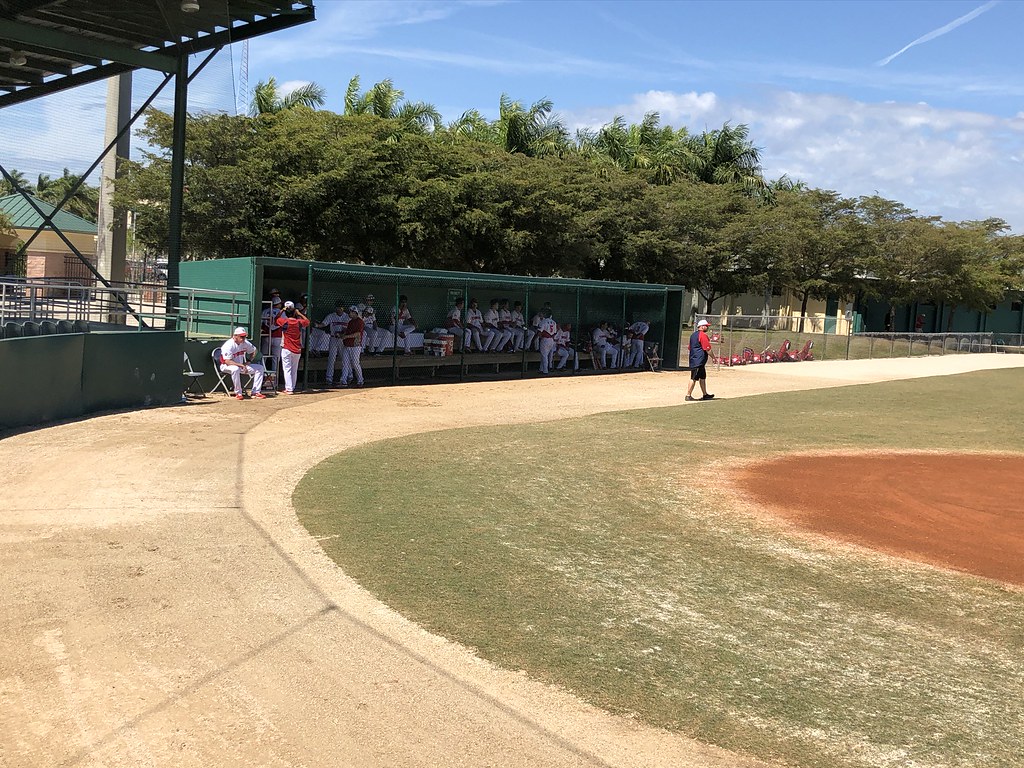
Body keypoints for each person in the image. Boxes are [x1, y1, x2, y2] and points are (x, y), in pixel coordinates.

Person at [219, 327, 266, 400]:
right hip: (226, 366)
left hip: (241, 366)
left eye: (244, 336)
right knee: (235, 369)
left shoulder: (245, 343)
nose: (243, 338)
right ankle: (238, 393)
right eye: (241, 336)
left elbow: (254, 351)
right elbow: (227, 361)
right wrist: (241, 365)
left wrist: (248, 361)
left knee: (260, 368)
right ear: (235, 336)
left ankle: (256, 392)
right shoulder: (228, 345)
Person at [275, 300, 310, 394]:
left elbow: (276, 319)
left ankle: (289, 389)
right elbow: (307, 321)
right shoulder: (299, 322)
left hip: (287, 348)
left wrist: (282, 310)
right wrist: (299, 313)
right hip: (297, 349)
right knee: (294, 369)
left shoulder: (284, 321)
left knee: (287, 369)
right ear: (294, 312)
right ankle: (292, 387)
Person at [318, 301, 349, 387]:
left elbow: (349, 328)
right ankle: (329, 378)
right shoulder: (331, 316)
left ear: (343, 308)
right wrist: (318, 325)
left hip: (343, 339)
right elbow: (323, 324)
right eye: (338, 307)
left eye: (341, 308)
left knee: (345, 359)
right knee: (331, 359)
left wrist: (343, 334)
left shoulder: (347, 316)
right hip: (333, 339)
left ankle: (347, 377)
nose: (339, 309)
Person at [686, 319, 717, 401]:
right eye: (706, 326)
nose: (707, 327)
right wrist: (714, 358)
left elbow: (689, 348)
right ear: (702, 326)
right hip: (698, 361)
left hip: (697, 360)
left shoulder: (693, 335)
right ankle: (688, 395)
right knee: (694, 378)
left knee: (702, 377)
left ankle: (705, 394)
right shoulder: (702, 335)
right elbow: (707, 348)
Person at [340, 305, 365, 387]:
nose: (349, 313)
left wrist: (346, 336)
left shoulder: (360, 321)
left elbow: (358, 333)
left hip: (355, 346)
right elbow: (347, 332)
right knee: (345, 363)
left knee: (355, 363)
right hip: (347, 345)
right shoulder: (350, 322)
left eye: (351, 312)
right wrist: (342, 335)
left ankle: (360, 380)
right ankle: (343, 380)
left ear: (355, 312)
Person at [260, 290, 284, 365]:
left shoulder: (265, 311)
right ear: (278, 304)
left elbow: (260, 323)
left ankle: (263, 373)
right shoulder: (281, 312)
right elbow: (284, 324)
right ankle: (274, 375)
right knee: (276, 358)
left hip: (266, 336)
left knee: (264, 356)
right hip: (277, 337)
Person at [536, 309, 558, 373]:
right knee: (545, 355)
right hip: (551, 340)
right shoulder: (554, 322)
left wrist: (539, 338)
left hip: (545, 339)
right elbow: (555, 333)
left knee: (544, 355)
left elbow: (539, 332)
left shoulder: (543, 321)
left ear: (545, 314)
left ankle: (545, 370)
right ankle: (541, 369)